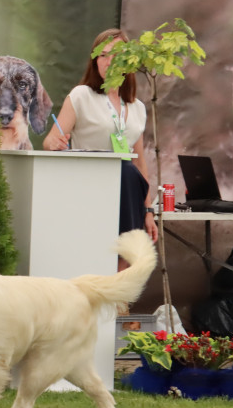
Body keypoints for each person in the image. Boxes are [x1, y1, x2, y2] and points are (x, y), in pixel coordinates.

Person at [43, 28, 159, 245]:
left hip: (128, 192)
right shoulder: (81, 96)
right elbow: (49, 141)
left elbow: (139, 163)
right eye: (103, 55)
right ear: (95, 61)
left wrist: (148, 210)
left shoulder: (137, 108)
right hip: (89, 189)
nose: (109, 61)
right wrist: (55, 143)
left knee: (126, 253)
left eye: (116, 55)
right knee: (98, 252)